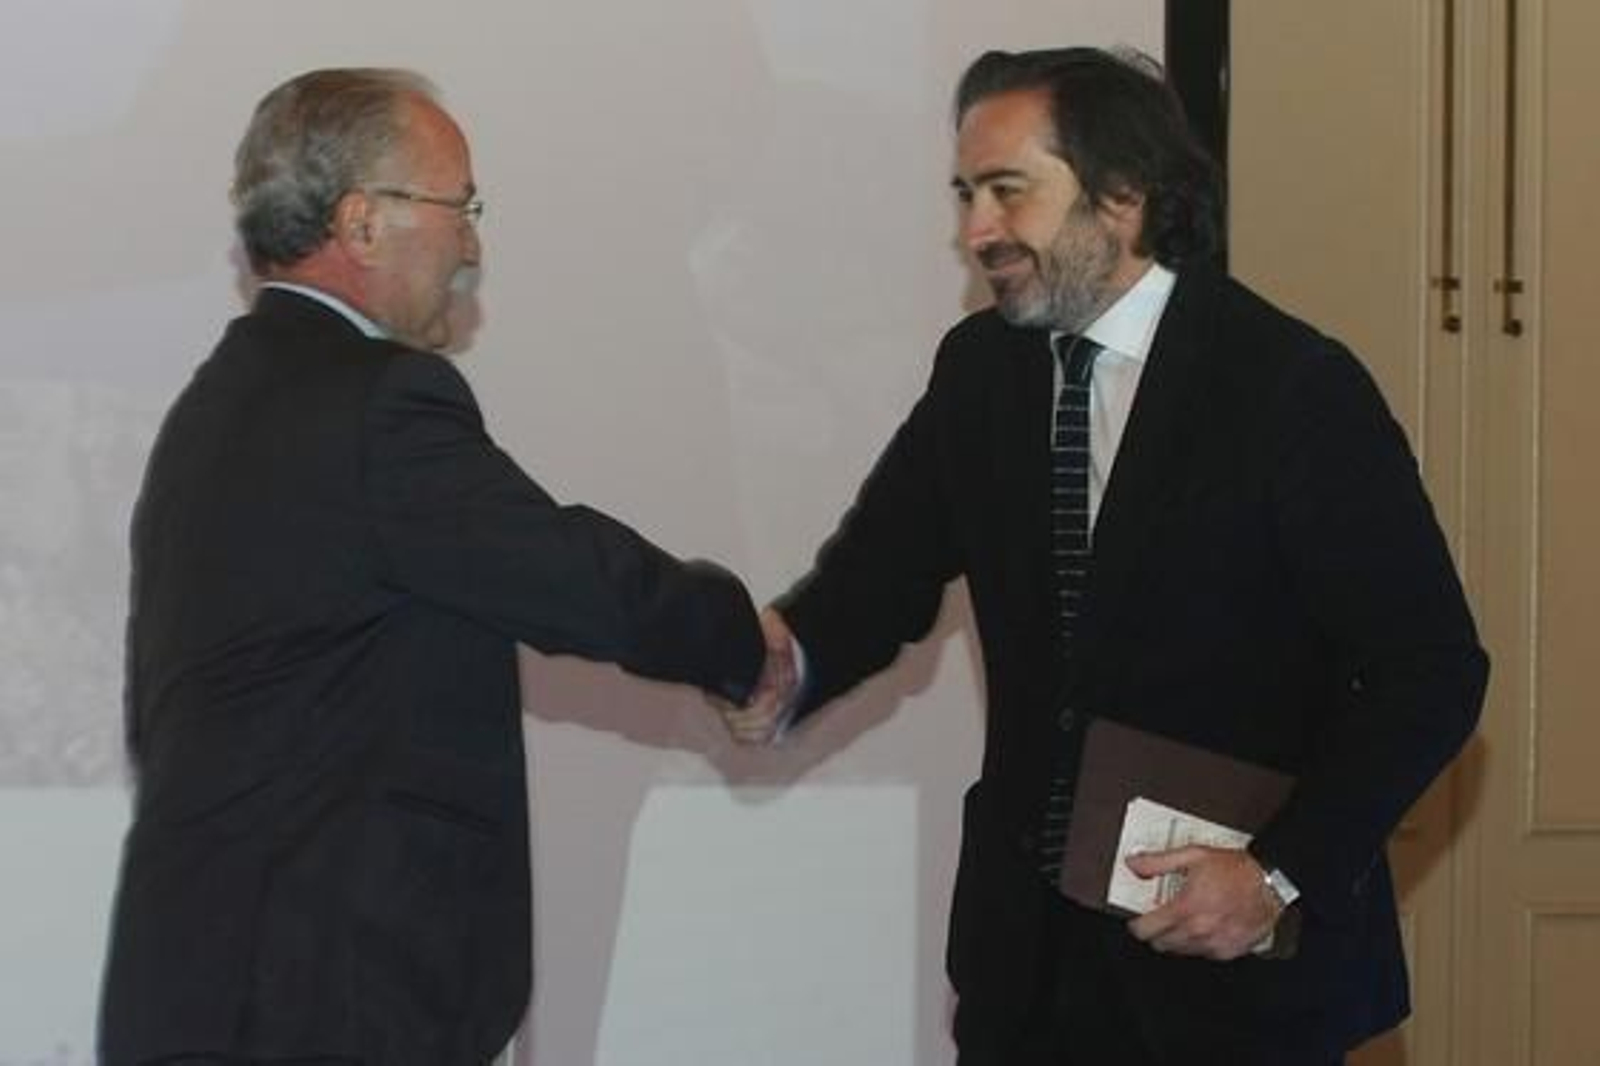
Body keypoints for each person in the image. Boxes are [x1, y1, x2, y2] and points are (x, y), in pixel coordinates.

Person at [722, 47, 1488, 1065]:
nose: (975, 230)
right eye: (965, 195)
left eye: (1008, 191)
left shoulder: (1288, 386)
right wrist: (786, 657)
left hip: (1233, 986)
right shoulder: (979, 372)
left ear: (1121, 196)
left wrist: (1274, 873)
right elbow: (875, 577)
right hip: (1027, 976)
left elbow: (1430, 671)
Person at [98, 68, 769, 1066]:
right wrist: (740, 640)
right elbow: (565, 575)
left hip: (215, 984)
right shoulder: (377, 402)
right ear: (363, 223)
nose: (472, 247)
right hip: (318, 1000)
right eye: (460, 207)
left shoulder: (218, 403)